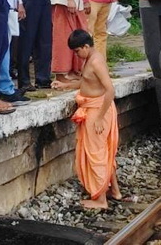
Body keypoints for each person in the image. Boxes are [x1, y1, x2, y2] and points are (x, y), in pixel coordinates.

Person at [51, 29, 122, 210]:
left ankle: (100, 199)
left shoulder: (96, 62)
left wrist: (98, 118)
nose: (77, 55)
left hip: (98, 110)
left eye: (77, 51)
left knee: (96, 153)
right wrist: (66, 85)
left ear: (85, 46)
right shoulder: (90, 59)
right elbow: (86, 83)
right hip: (95, 108)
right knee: (104, 151)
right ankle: (115, 191)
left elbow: (110, 90)